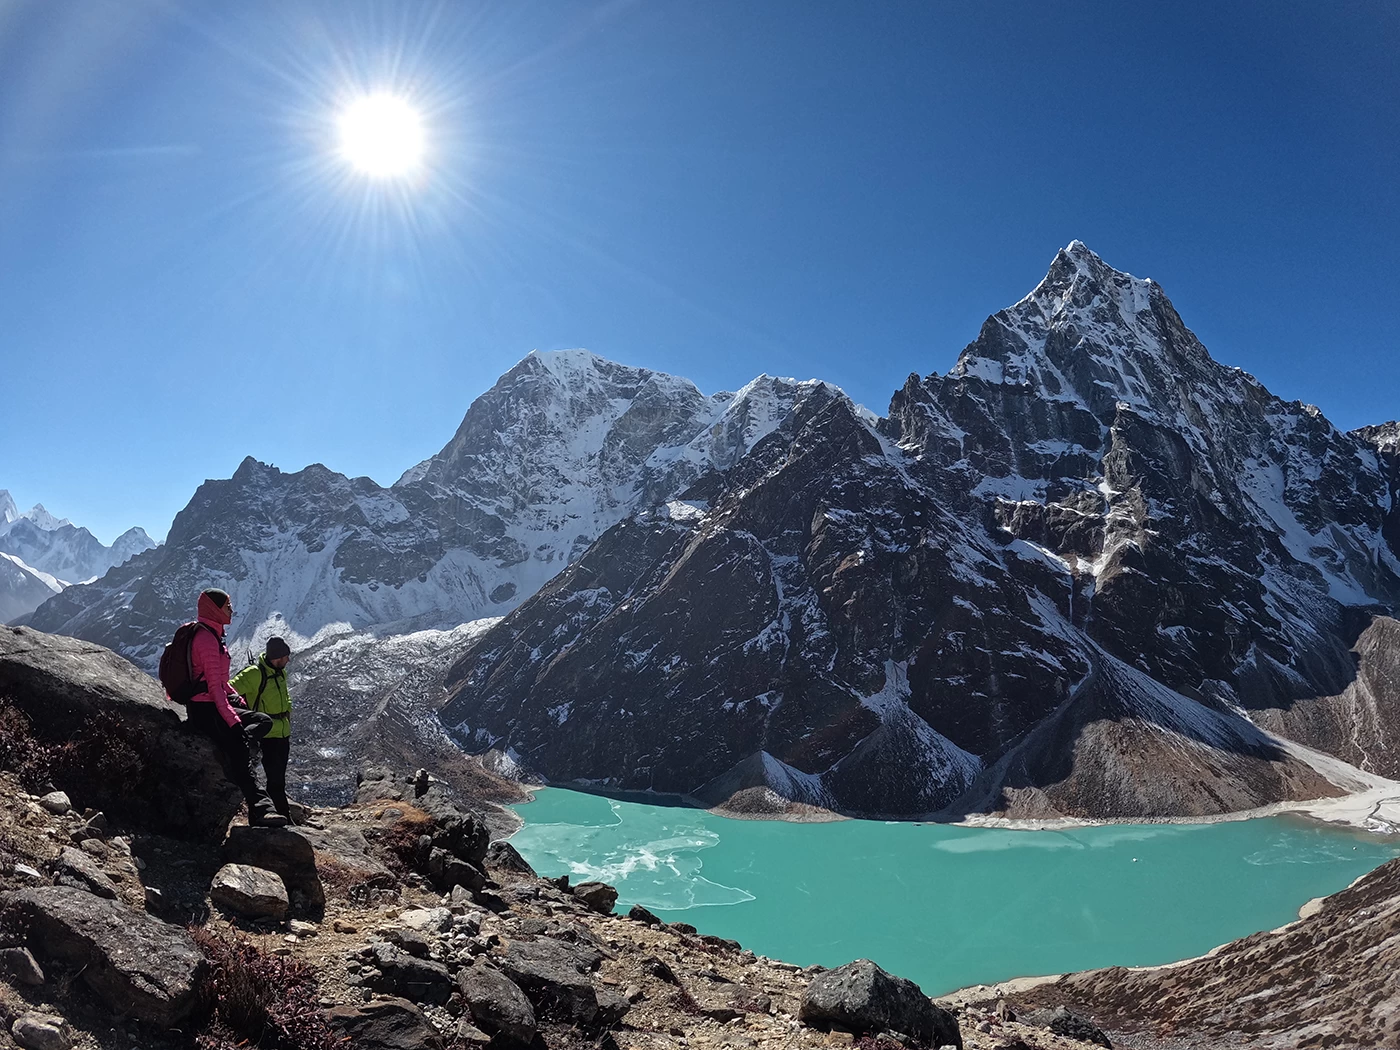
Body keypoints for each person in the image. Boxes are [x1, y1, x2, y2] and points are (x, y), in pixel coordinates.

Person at [184, 588, 285, 828]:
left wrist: (236, 698)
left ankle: (239, 747)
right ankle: (261, 808)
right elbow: (213, 688)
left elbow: (221, 684)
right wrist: (233, 720)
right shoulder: (206, 640)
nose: (232, 611)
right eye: (228, 607)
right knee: (240, 746)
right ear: (215, 609)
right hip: (205, 709)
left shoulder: (212, 635)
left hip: (213, 704)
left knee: (262, 721)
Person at [232, 636, 295, 822]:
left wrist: (288, 710)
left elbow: (285, 696)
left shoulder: (279, 672)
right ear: (277, 657)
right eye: (286, 656)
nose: (288, 660)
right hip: (266, 733)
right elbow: (229, 689)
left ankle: (271, 815)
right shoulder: (254, 674)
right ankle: (280, 817)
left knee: (278, 779)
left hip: (282, 732)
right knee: (274, 780)